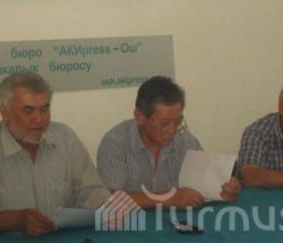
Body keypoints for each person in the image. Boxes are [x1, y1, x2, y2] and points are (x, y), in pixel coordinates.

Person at [0, 72, 110, 235]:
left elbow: (91, 191)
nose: (38, 120)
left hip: (63, 242)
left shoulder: (65, 139)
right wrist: (14, 220)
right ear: (5, 112)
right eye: (28, 111)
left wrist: (108, 206)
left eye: (44, 110)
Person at [97, 76, 240, 209]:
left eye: (178, 121)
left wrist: (225, 189)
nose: (172, 130)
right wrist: (167, 198)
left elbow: (205, 183)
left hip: (176, 221)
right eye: (165, 123)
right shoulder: (115, 142)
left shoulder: (184, 139)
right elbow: (109, 199)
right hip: (131, 221)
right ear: (140, 117)